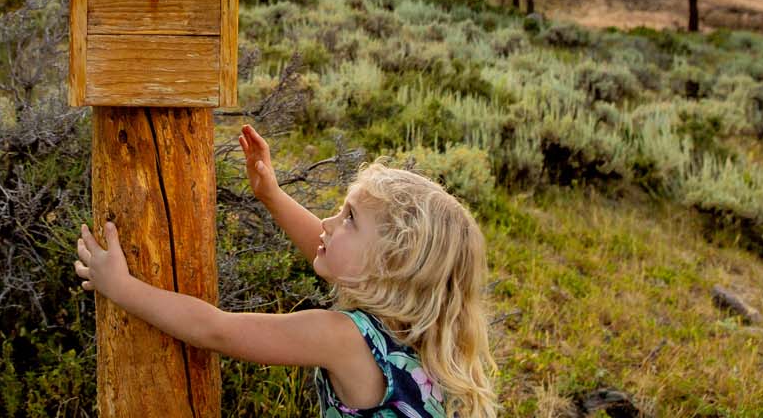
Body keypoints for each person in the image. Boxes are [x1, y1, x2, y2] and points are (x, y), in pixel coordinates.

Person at [75, 123, 496, 418]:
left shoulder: (343, 339)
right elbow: (330, 247)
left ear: (392, 264)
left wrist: (121, 287)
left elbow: (216, 330)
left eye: (348, 218)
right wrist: (272, 195)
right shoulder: (427, 331)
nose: (329, 224)